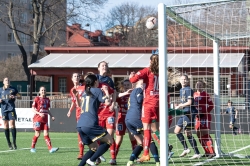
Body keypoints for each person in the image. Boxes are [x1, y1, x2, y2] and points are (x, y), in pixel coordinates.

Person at [129, 53, 160, 162]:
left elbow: (133, 80)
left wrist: (133, 76)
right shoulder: (161, 72)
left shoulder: (147, 70)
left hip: (149, 102)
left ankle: (146, 153)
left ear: (150, 61)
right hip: (159, 102)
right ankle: (165, 147)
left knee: (146, 128)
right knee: (156, 129)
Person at [77, 74, 113, 166]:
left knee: (93, 148)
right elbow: (108, 102)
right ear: (95, 82)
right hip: (90, 123)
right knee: (109, 141)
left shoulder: (85, 92)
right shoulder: (97, 91)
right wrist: (106, 91)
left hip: (80, 124)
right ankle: (92, 160)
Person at [126, 79, 160, 166]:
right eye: (141, 84)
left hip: (128, 119)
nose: (143, 85)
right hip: (136, 117)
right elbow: (140, 100)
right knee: (149, 140)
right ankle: (157, 162)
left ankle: (130, 161)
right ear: (136, 85)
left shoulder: (132, 92)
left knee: (141, 143)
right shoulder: (139, 90)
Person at [174, 75, 201, 159]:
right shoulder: (181, 90)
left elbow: (189, 102)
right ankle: (186, 148)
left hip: (189, 113)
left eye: (185, 79)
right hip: (184, 113)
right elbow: (184, 101)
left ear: (188, 81)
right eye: (182, 79)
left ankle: (197, 153)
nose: (183, 81)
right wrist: (179, 105)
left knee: (188, 132)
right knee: (176, 131)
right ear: (179, 81)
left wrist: (180, 105)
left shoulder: (189, 89)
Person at [96, 61, 117, 165]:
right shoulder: (95, 78)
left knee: (110, 135)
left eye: (106, 66)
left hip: (109, 111)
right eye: (102, 65)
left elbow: (114, 92)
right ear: (98, 68)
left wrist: (113, 104)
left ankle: (113, 158)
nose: (104, 67)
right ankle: (98, 155)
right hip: (98, 112)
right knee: (98, 136)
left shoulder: (109, 80)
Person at [30, 86, 59, 153]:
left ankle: (50, 149)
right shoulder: (37, 99)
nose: (43, 91)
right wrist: (39, 114)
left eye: (44, 90)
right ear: (39, 92)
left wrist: (51, 116)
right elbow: (32, 109)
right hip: (38, 119)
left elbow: (47, 110)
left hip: (45, 120)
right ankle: (32, 148)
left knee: (46, 134)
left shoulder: (47, 99)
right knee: (37, 134)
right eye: (42, 90)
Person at [115, 79, 137, 161]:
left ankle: (135, 156)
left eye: (128, 85)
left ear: (131, 86)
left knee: (133, 137)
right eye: (125, 85)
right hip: (121, 118)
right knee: (119, 139)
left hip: (131, 118)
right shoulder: (120, 95)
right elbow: (114, 96)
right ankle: (114, 157)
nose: (126, 86)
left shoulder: (134, 94)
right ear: (122, 86)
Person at [194, 80, 216, 158]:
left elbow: (211, 105)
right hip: (197, 117)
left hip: (204, 117)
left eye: (200, 85)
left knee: (205, 134)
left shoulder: (205, 94)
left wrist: (205, 112)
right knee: (198, 134)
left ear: (202, 86)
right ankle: (206, 151)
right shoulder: (194, 94)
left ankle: (212, 152)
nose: (198, 86)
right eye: (197, 85)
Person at [67, 73, 85, 160]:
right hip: (78, 113)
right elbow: (74, 102)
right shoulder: (72, 90)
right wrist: (70, 111)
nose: (77, 77)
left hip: (86, 111)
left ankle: (96, 151)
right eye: (75, 76)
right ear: (71, 79)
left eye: (78, 76)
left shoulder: (84, 87)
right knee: (80, 132)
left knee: (88, 131)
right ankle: (81, 153)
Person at [0, 77, 21, 150]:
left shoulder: (13, 89)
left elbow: (20, 96)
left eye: (8, 80)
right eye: (6, 80)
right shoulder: (0, 90)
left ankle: (14, 142)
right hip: (4, 110)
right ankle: (9, 143)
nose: (7, 81)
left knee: (12, 124)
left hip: (11, 109)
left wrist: (15, 96)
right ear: (3, 82)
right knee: (5, 125)